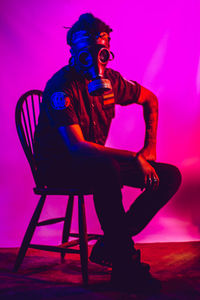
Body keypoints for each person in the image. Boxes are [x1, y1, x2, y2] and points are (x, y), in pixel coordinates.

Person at [34, 13, 182, 292]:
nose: (96, 60)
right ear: (75, 53)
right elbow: (77, 149)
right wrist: (133, 158)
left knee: (169, 176)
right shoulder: (60, 87)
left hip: (97, 162)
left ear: (107, 52)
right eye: (86, 53)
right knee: (105, 169)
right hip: (59, 167)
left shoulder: (111, 82)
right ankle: (125, 266)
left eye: (101, 53)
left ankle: (110, 243)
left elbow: (150, 99)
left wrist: (149, 147)